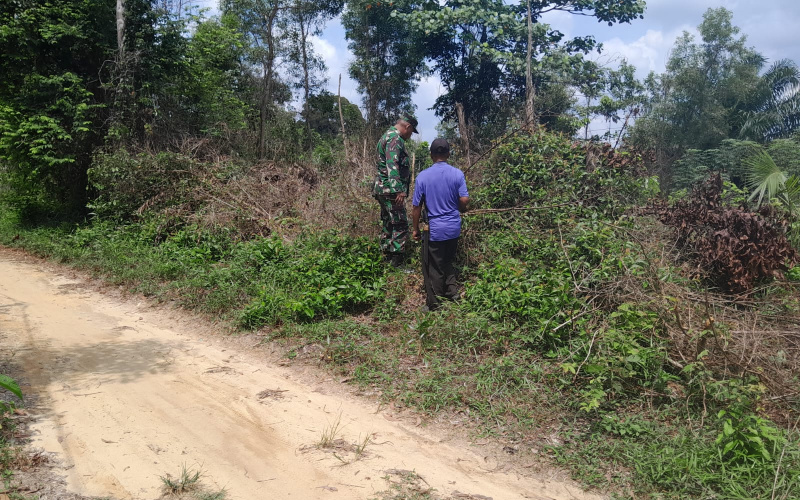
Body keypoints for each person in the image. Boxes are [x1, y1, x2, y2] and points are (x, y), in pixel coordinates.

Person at [412, 138, 469, 311]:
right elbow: (464, 200)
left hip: (435, 230)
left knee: (434, 266)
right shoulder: (457, 174)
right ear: (448, 154)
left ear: (431, 155)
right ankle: (452, 292)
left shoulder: (423, 176)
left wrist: (415, 229)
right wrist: (459, 208)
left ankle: (435, 304)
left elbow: (416, 207)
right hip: (453, 228)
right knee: (448, 260)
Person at [373, 113, 418, 268]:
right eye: (411, 132)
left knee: (388, 222)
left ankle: (386, 257)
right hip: (390, 190)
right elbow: (392, 165)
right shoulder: (395, 138)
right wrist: (398, 190)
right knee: (400, 224)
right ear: (408, 127)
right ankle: (397, 263)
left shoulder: (386, 135)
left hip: (382, 188)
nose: (410, 135)